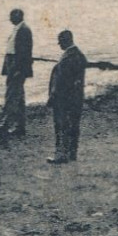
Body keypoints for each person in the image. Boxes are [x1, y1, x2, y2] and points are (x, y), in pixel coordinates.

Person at [46, 29, 87, 164]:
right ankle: (71, 153)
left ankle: (61, 155)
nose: (59, 44)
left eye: (60, 41)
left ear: (66, 40)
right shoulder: (78, 55)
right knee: (73, 125)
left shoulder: (70, 57)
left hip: (65, 98)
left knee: (62, 125)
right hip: (76, 97)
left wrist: (53, 96)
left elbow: (62, 81)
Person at [0, 8, 34, 139]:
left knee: (11, 96)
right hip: (12, 65)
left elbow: (24, 53)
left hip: (17, 67)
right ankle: (20, 126)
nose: (10, 18)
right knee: (19, 97)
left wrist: (18, 70)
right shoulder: (18, 29)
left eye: (12, 16)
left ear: (18, 16)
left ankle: (5, 126)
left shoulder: (24, 30)